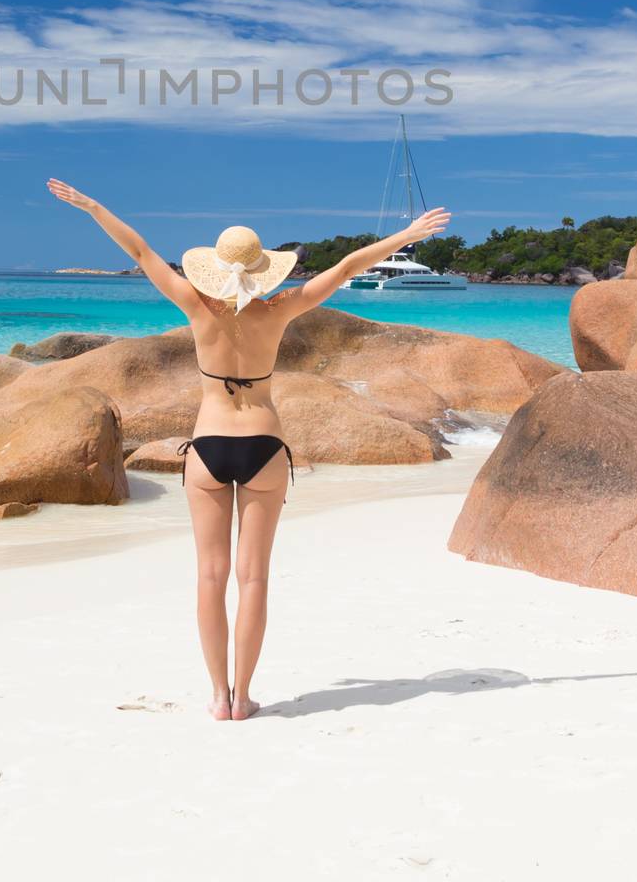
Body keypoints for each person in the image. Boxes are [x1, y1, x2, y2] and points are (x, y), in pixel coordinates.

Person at [46, 178, 450, 721]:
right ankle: (243, 695)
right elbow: (350, 267)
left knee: (210, 576)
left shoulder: (194, 306)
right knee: (253, 577)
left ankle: (217, 696)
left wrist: (94, 206)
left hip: (209, 448)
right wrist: (405, 234)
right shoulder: (279, 310)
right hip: (264, 446)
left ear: (212, 268)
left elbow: (140, 251)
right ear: (264, 271)